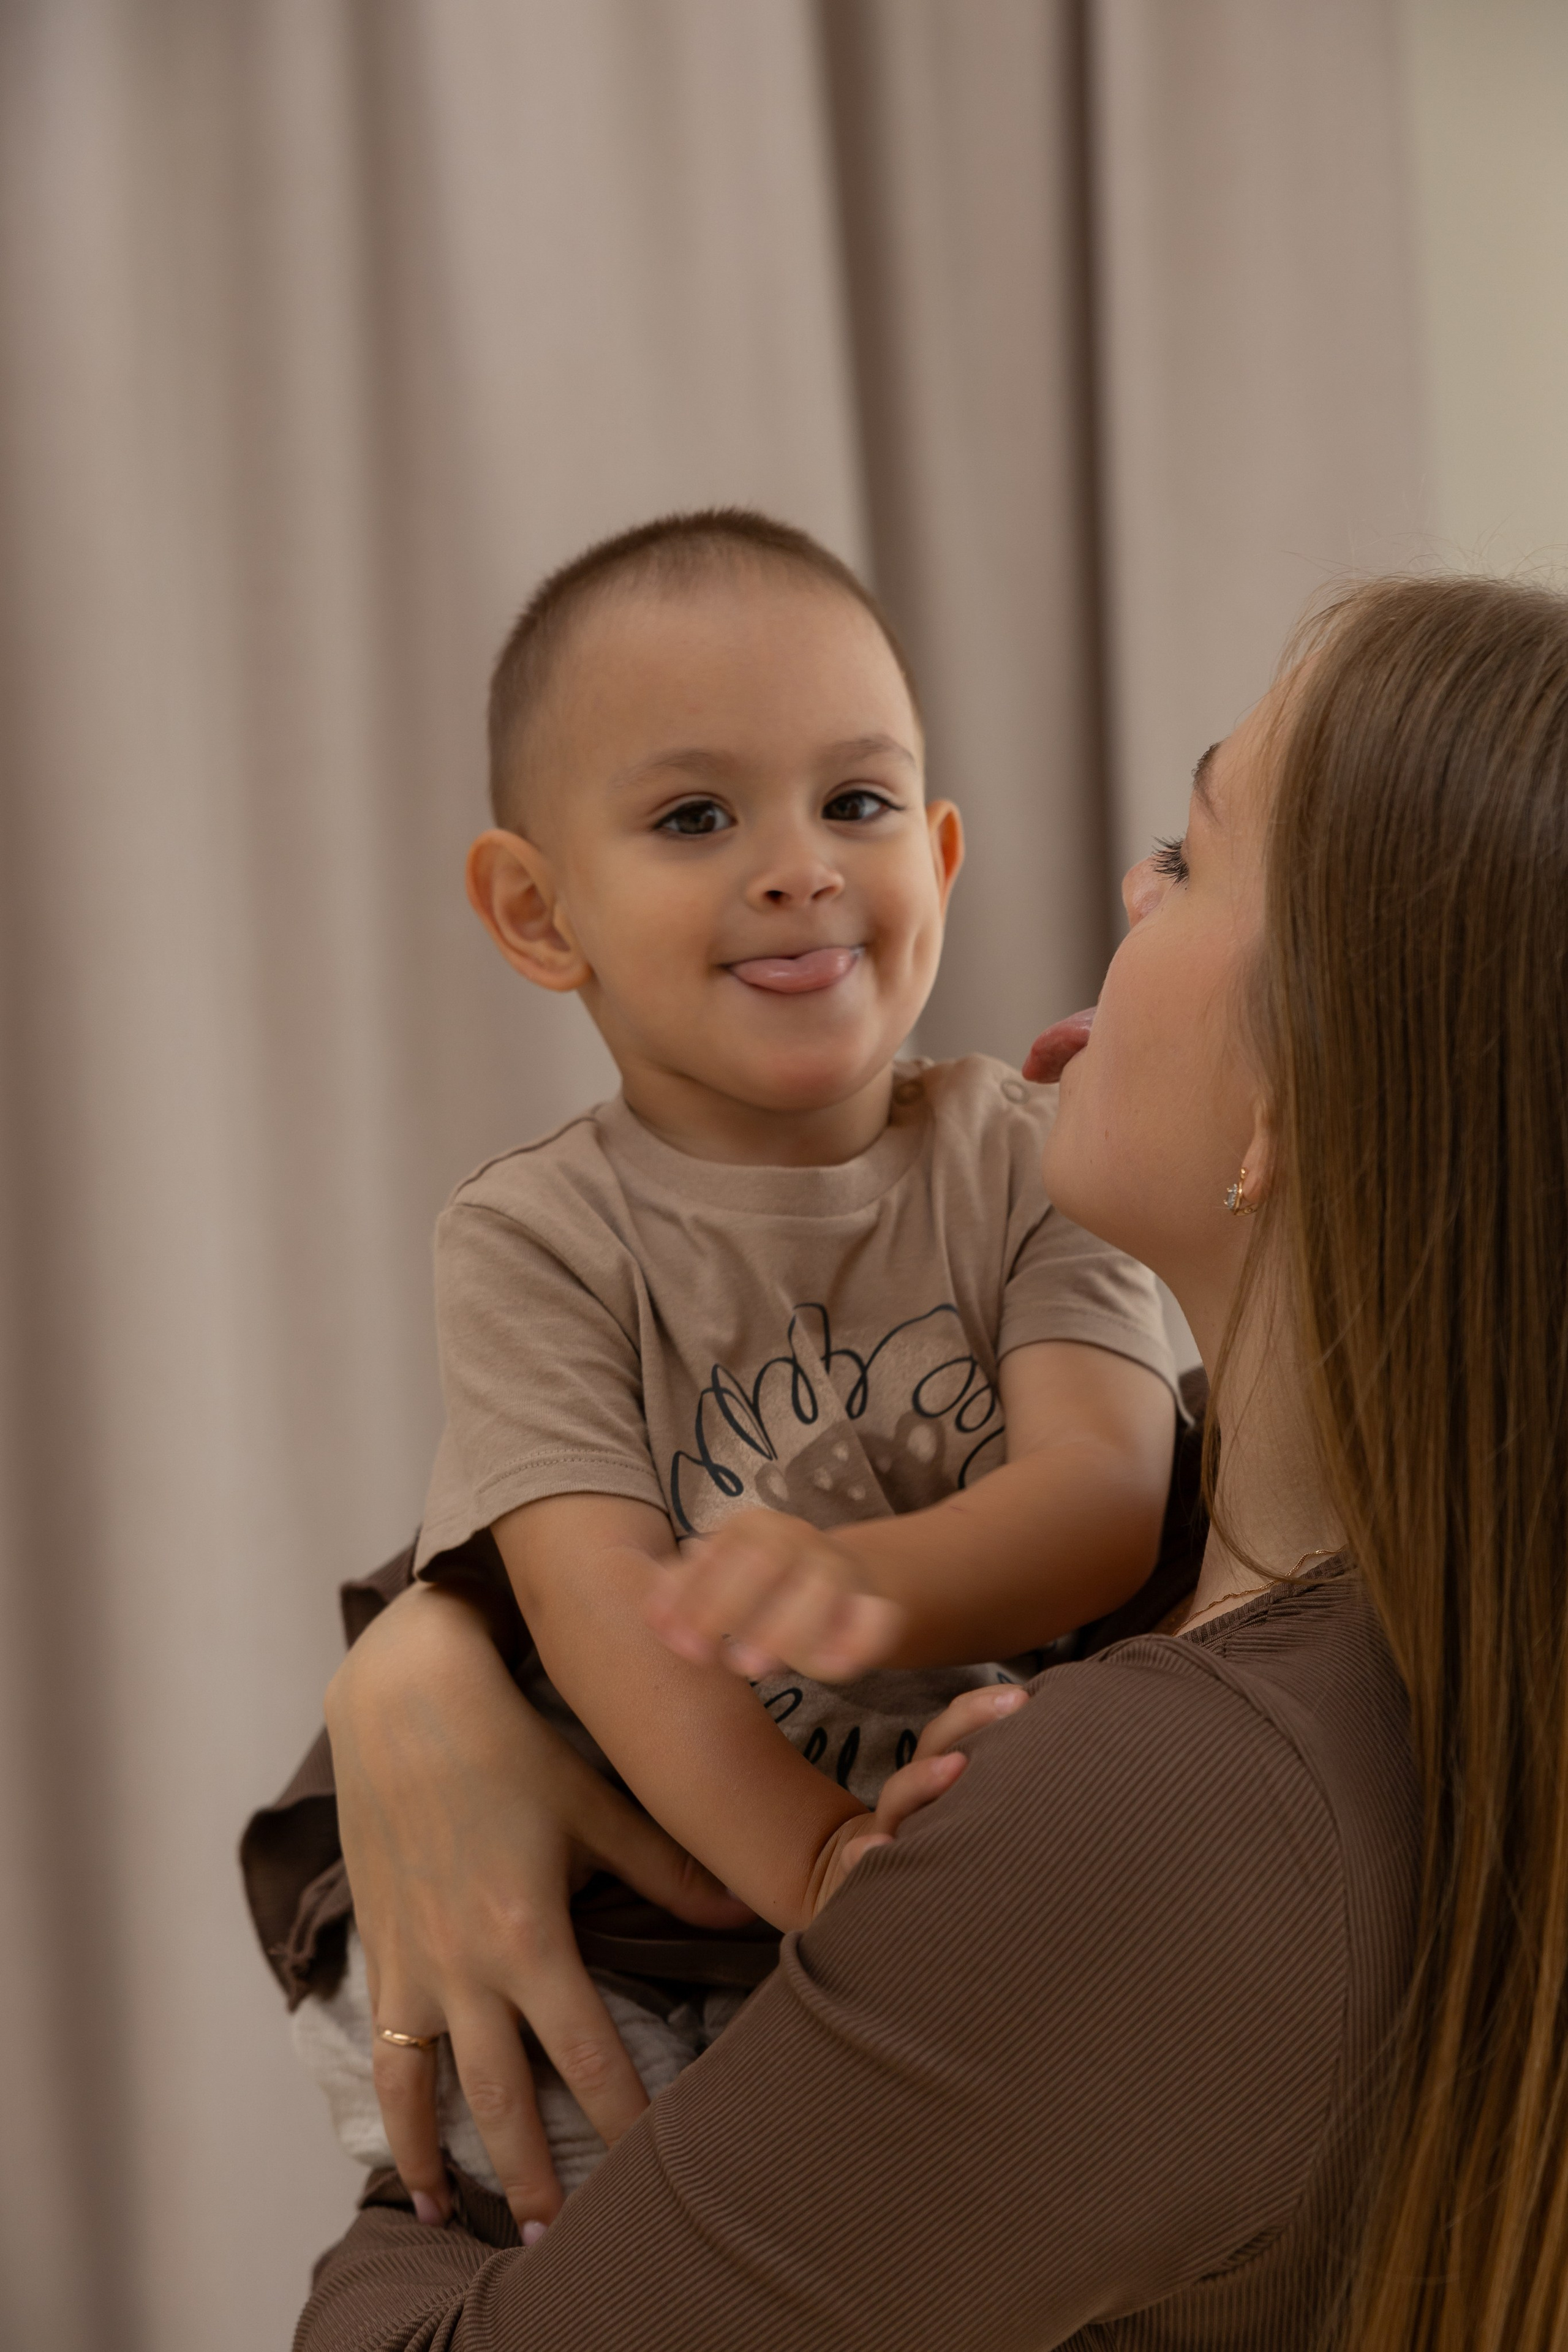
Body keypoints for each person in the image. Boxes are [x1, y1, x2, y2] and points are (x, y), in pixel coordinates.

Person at [299, 572, 1568, 2350]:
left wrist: (390, 2238)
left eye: (1188, 860)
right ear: (537, 908)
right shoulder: (1349, 1627)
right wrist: (416, 1653)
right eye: (694, 815)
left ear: (1292, 1098)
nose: (1129, 890)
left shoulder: (1161, 1820)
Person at [291, 508, 1180, 2223]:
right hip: (643, 1919)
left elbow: (1108, 1493)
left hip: (934, 1899)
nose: (800, 865)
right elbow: (603, 1613)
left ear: (936, 846)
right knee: (589, 2200)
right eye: (699, 817)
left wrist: (867, 1581)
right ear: (540, 912)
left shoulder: (1030, 1158)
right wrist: (819, 1862)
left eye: (854, 803)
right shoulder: (537, 1238)